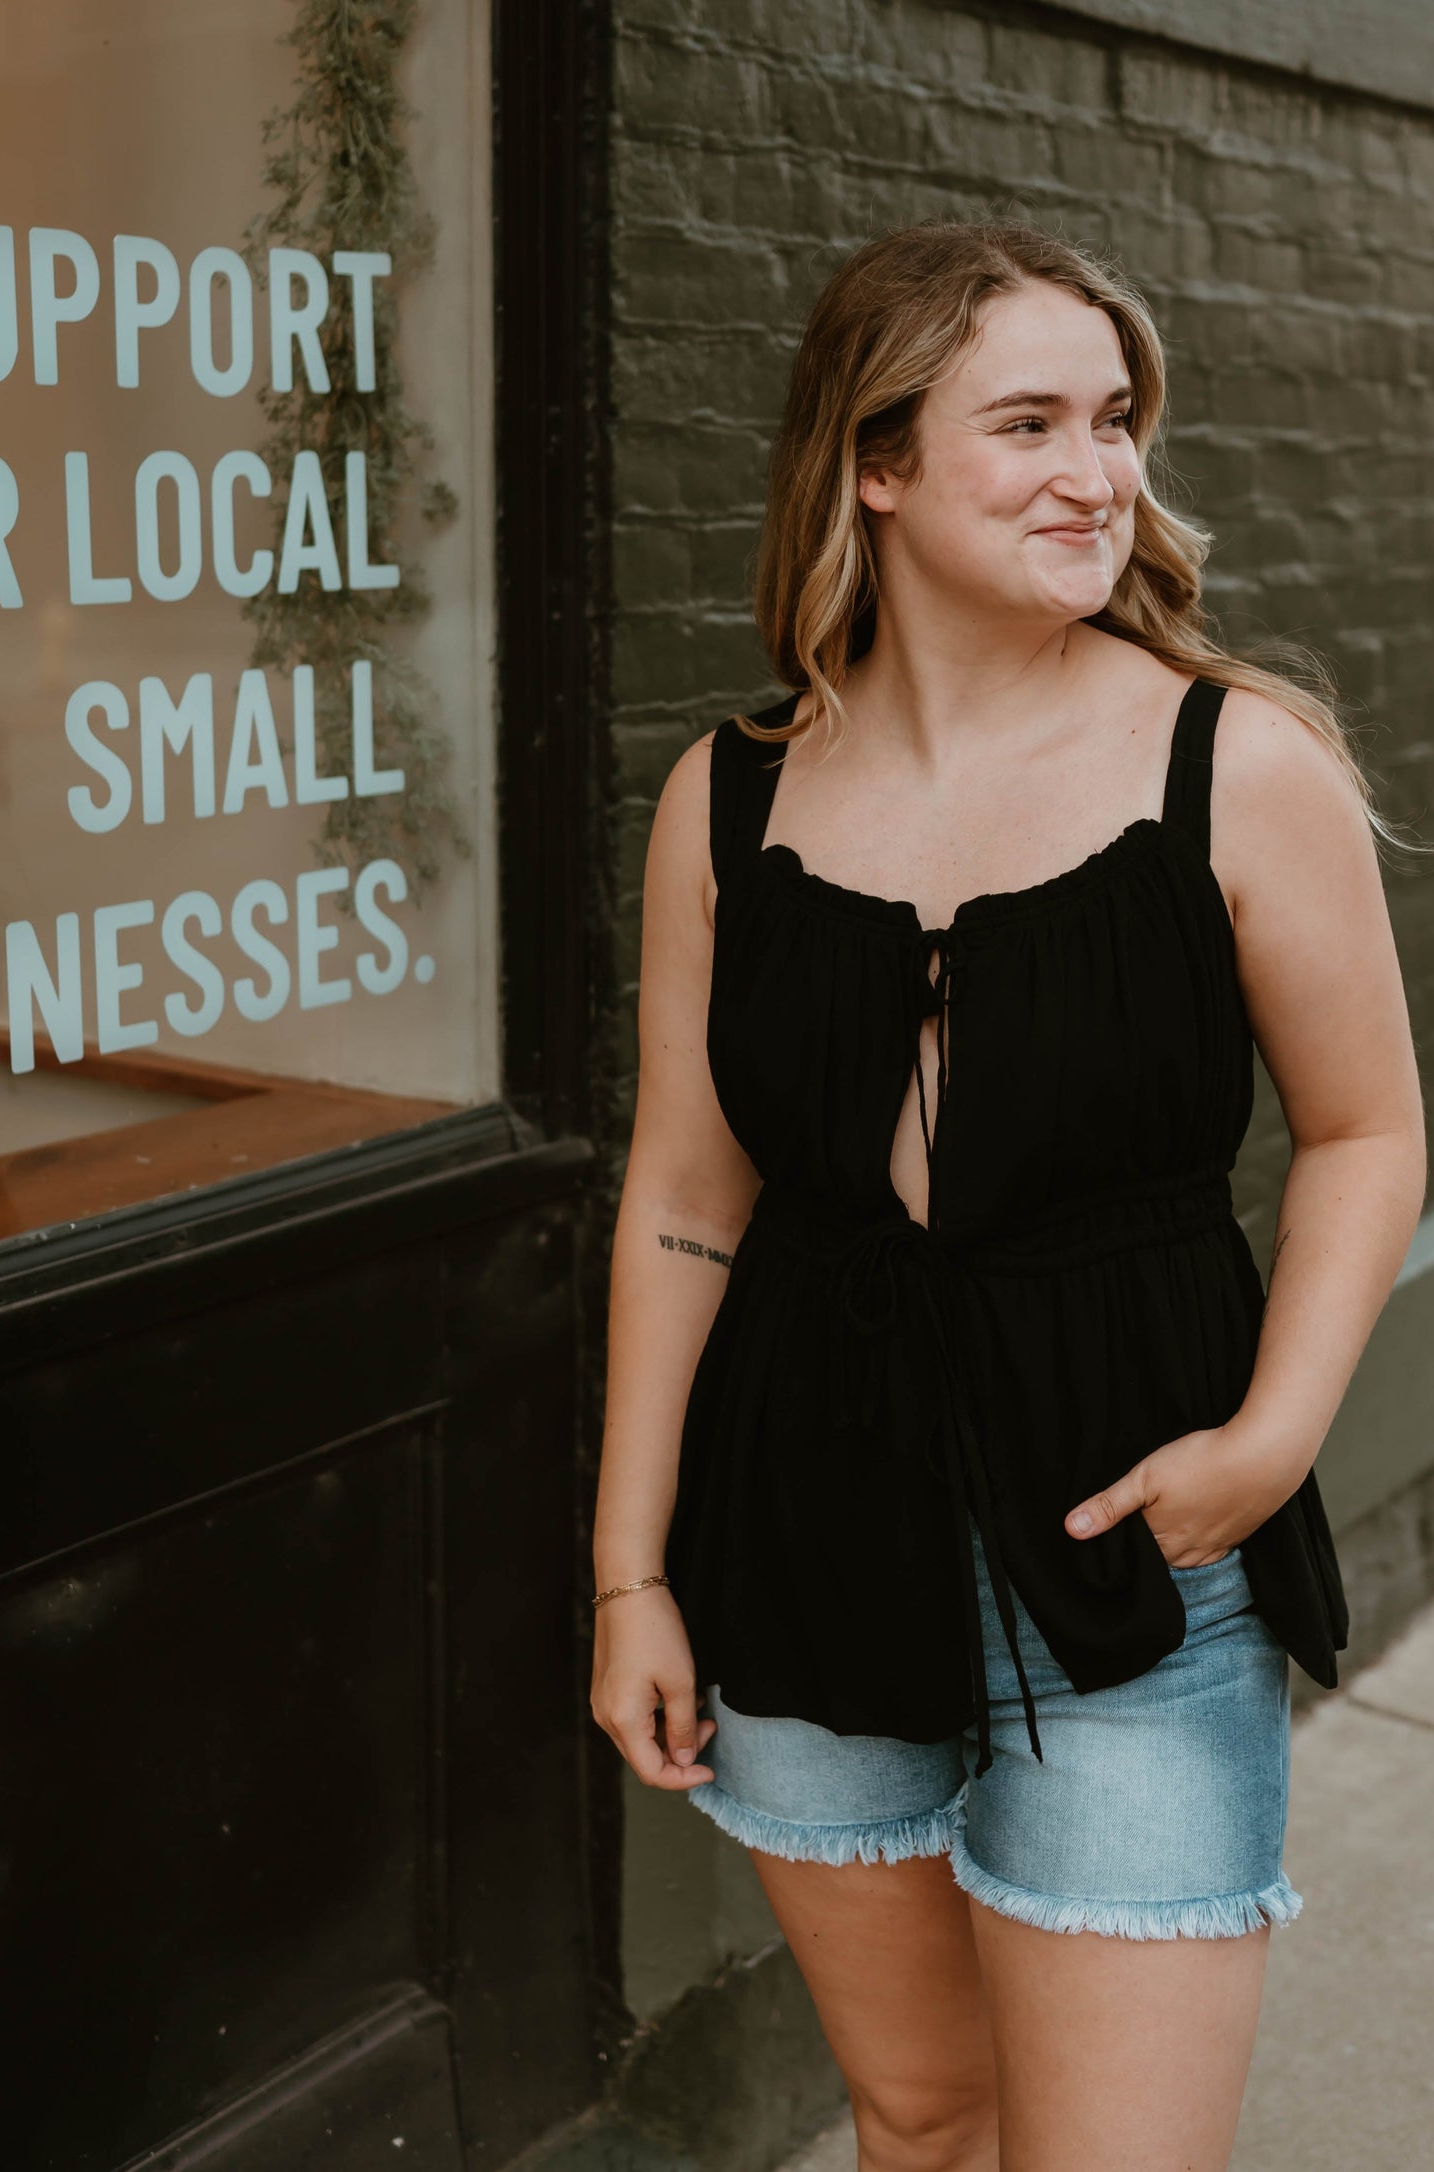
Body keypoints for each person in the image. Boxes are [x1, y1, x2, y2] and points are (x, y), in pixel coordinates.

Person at [589, 218, 1427, 2172]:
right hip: (802, 1527)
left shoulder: (1239, 764)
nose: (1098, 471)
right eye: (1028, 422)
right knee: (921, 2112)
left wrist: (1275, 1436)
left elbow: (1371, 1134)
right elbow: (684, 1196)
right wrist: (632, 1568)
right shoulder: (727, 798)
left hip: (1141, 1548)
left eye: (1117, 420)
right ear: (870, 464)